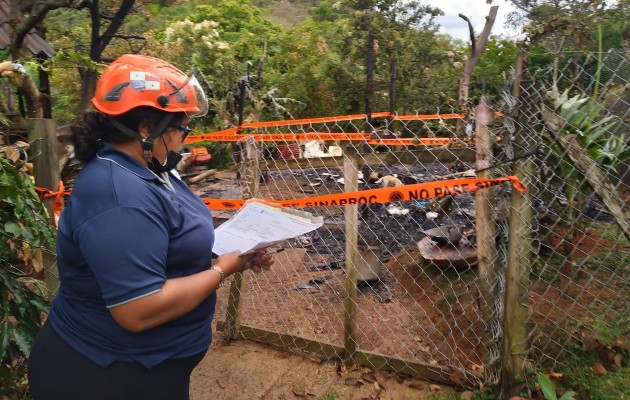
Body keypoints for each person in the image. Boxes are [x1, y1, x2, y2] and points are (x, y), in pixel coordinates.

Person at [27, 54, 274, 400]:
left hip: (151, 367)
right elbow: (137, 310)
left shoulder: (153, 167)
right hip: (107, 374)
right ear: (146, 129)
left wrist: (237, 252)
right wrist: (222, 269)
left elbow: (167, 238)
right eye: (181, 128)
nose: (185, 140)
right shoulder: (117, 195)